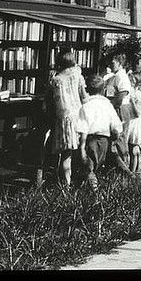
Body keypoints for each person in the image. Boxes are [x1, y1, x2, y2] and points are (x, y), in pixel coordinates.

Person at [76, 75, 124, 192]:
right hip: (105, 141)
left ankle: (95, 191)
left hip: (90, 141)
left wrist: (82, 148)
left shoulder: (85, 106)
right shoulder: (107, 105)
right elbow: (116, 126)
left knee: (88, 168)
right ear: (103, 90)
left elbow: (83, 128)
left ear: (86, 90)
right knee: (100, 165)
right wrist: (114, 137)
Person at [49, 51, 87, 187]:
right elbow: (84, 96)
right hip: (78, 115)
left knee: (65, 153)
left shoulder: (56, 79)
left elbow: (54, 100)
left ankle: (66, 183)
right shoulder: (77, 75)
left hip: (64, 117)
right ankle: (77, 180)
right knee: (78, 149)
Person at [104, 54, 133, 167]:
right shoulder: (114, 76)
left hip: (120, 109)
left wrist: (111, 106)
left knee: (120, 137)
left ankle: (125, 166)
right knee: (115, 138)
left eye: (113, 63)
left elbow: (122, 95)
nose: (111, 65)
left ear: (120, 64)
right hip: (115, 108)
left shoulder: (122, 76)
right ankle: (118, 166)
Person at [127, 71, 141, 175]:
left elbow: (137, 113)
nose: (131, 82)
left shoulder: (137, 96)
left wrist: (131, 102)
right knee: (134, 149)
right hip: (134, 123)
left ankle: (134, 171)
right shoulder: (135, 93)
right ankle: (135, 170)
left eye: (133, 80)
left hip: (136, 124)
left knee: (134, 149)